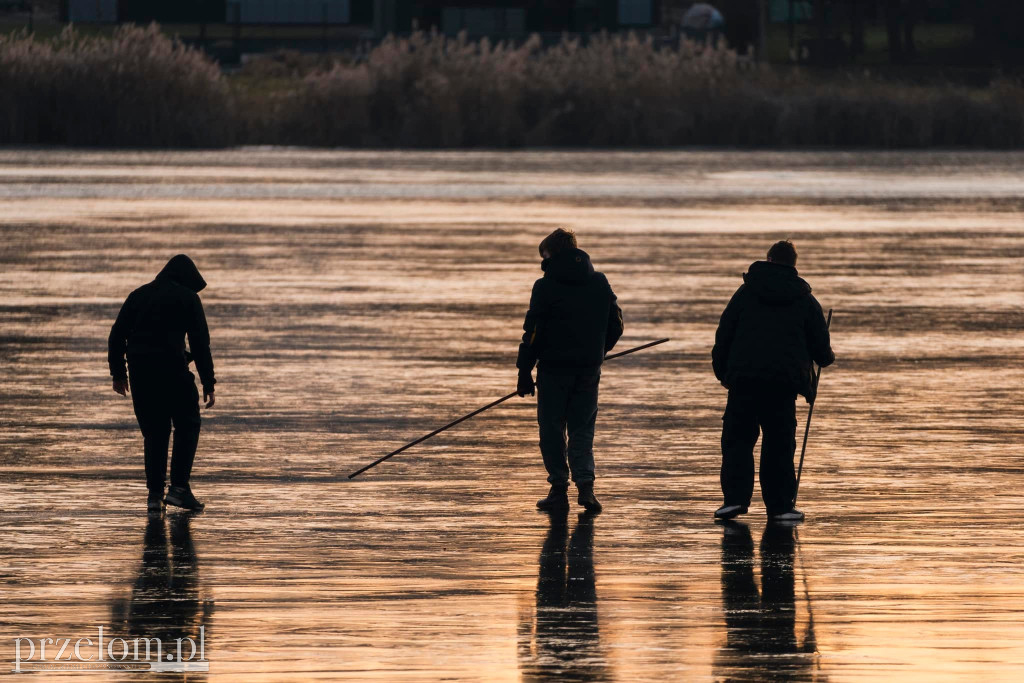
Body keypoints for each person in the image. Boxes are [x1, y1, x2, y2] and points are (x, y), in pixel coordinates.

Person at [711, 240, 833, 522]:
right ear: (793, 264)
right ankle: (780, 506)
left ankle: (734, 501)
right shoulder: (804, 298)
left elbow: (724, 335)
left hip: (744, 382)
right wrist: (827, 358)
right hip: (783, 384)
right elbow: (820, 348)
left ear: (768, 260)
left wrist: (724, 374)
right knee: (779, 444)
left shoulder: (745, 293)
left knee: (737, 441)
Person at [516, 228, 623, 513]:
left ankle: (559, 489)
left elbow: (533, 333)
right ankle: (586, 487)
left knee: (551, 429)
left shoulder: (545, 286)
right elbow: (617, 325)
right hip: (588, 370)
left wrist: (524, 372)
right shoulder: (599, 282)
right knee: (582, 429)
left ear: (552, 255)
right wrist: (599, 352)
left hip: (553, 371)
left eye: (544, 257)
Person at [108, 255, 216, 512]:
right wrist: (208, 383)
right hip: (173, 373)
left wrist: (118, 374)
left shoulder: (139, 295)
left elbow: (116, 336)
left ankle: (155, 496)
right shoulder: (189, 298)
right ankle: (178, 489)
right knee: (188, 424)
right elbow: (200, 344)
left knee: (155, 432)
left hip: (142, 375)